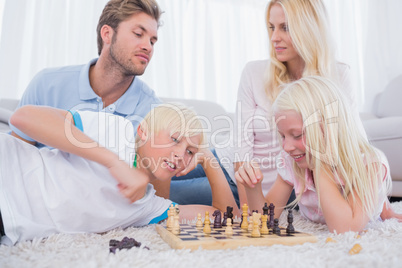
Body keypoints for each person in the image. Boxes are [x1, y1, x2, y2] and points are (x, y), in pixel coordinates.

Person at [171, 0, 362, 207]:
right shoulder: (254, 73)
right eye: (271, 27)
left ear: (309, 28)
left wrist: (382, 208)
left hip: (271, 191)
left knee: (161, 197)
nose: (274, 38)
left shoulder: (339, 76)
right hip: (229, 166)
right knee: (157, 175)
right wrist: (249, 214)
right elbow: (241, 145)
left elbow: (356, 144)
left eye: (285, 28)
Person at [0, 103, 239, 246]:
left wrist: (208, 159)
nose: (180, 155)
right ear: (143, 132)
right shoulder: (116, 131)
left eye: (189, 151)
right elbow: (22, 117)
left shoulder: (151, 206)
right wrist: (115, 163)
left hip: (8, 224)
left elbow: (229, 217)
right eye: (174, 139)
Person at [236, 76, 402, 233]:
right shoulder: (291, 162)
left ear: (329, 131)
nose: (286, 147)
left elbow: (345, 229)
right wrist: (253, 188)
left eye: (297, 135)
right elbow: (266, 220)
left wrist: (321, 162)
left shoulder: (370, 164)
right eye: (282, 136)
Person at [11, 0, 162, 143]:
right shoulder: (46, 85)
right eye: (138, 34)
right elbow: (17, 156)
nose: (148, 47)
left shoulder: (152, 112)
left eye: (152, 41)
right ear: (107, 34)